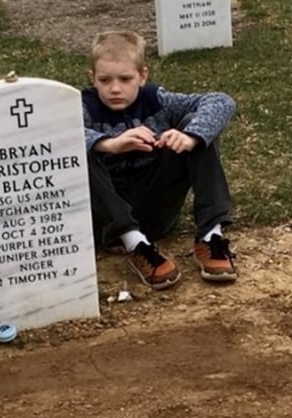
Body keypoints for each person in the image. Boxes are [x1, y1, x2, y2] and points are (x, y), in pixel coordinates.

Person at [81, 30, 238, 290]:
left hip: (157, 208)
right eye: (105, 80)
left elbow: (221, 101)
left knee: (196, 129)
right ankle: (136, 244)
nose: (115, 88)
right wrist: (110, 144)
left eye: (125, 78)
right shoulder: (83, 106)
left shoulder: (156, 100)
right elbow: (57, 132)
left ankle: (211, 235)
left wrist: (191, 137)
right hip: (109, 220)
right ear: (92, 79)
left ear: (142, 76)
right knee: (80, 150)